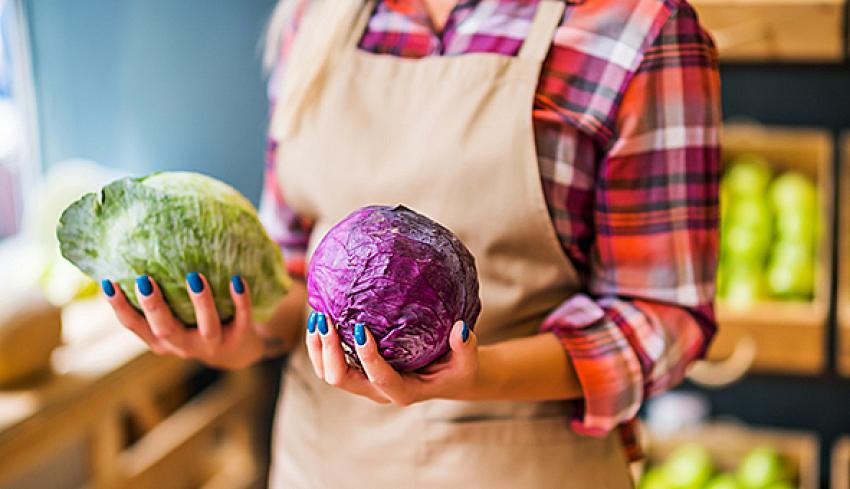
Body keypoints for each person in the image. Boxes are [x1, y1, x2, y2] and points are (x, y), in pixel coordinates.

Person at [101, 0, 720, 486]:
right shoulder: (318, 18)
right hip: (321, 468)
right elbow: (290, 274)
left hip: (518, 469)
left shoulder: (637, 28)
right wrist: (241, 333)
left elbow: (663, 316)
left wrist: (475, 374)